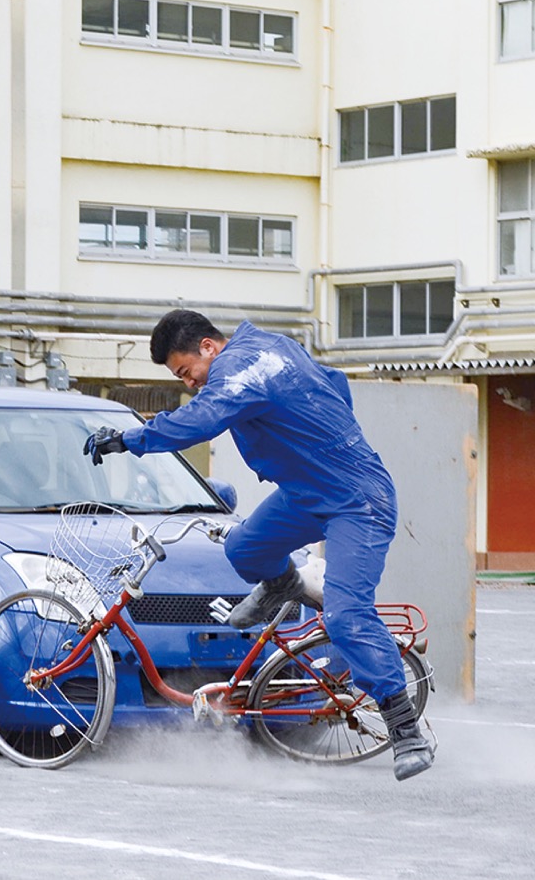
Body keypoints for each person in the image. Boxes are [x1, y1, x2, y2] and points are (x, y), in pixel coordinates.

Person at [83, 309, 434, 780]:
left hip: (357, 500)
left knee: (347, 615)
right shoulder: (275, 347)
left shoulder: (242, 369)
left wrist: (130, 439)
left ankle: (404, 725)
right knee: (243, 550)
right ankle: (283, 585)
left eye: (186, 372)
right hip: (306, 492)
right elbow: (333, 381)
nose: (189, 384)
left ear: (208, 347)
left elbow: (200, 421)